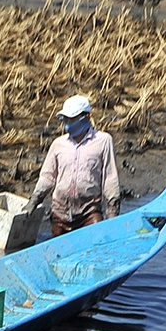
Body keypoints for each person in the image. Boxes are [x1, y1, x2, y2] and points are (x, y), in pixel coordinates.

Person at [30, 95, 120, 237]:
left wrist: (112, 213)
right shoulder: (58, 144)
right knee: (60, 254)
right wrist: (35, 200)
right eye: (66, 119)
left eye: (72, 119)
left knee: (95, 249)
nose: (68, 123)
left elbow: (110, 178)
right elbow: (48, 177)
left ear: (87, 116)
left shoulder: (103, 141)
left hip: (89, 213)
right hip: (60, 213)